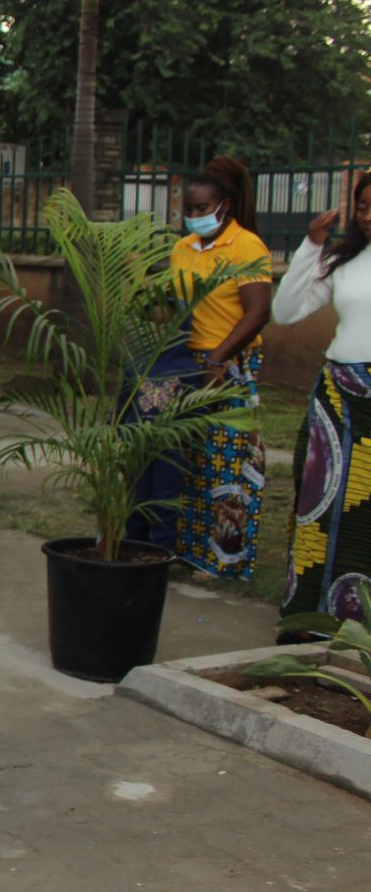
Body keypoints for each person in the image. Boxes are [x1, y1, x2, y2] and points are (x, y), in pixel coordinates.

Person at [158, 157, 273, 579]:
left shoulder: (247, 247)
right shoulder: (182, 248)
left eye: (201, 209)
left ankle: (223, 558)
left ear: (224, 205)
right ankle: (179, 550)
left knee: (224, 460)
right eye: (188, 209)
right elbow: (173, 306)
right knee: (176, 456)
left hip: (226, 366)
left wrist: (218, 357)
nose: (193, 217)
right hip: (182, 364)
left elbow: (258, 313)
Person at [273, 170, 371, 624]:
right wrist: (312, 246)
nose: (369, 216)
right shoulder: (344, 260)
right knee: (323, 503)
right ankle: (314, 617)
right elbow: (286, 311)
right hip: (340, 400)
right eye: (365, 207)